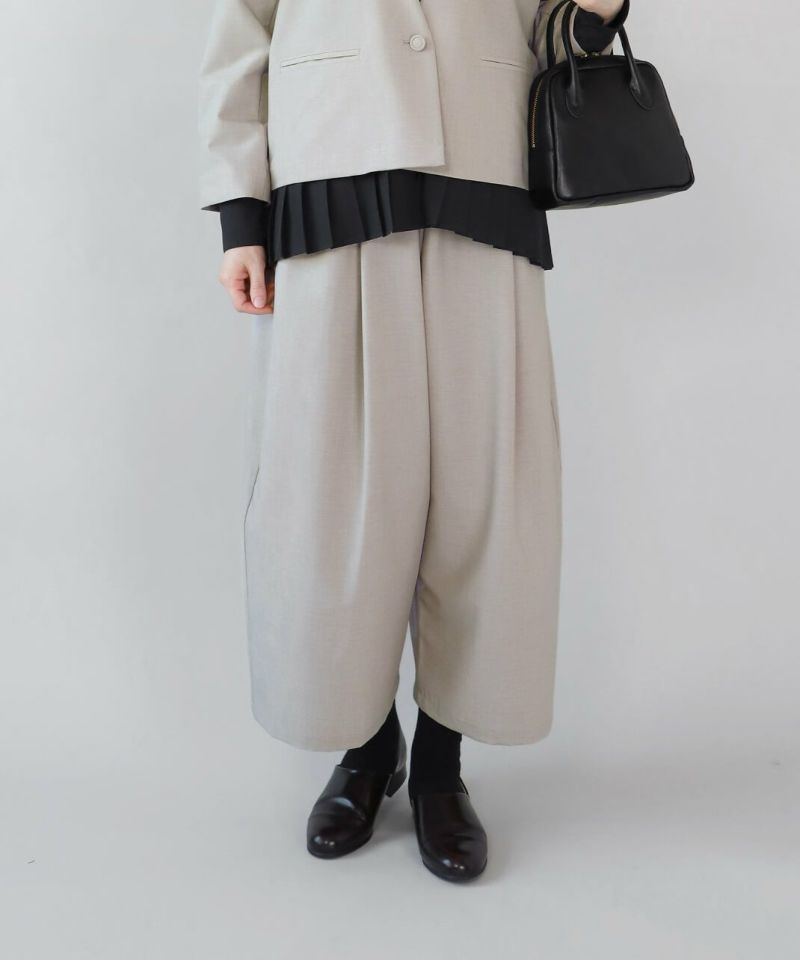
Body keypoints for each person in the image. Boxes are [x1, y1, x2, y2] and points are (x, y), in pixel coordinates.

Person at [198, 0, 630, 883]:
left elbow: (553, 35)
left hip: (485, 177)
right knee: (332, 503)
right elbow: (240, 36)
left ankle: (439, 764)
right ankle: (365, 747)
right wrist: (241, 212)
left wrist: (600, 8)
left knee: (485, 497)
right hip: (330, 169)